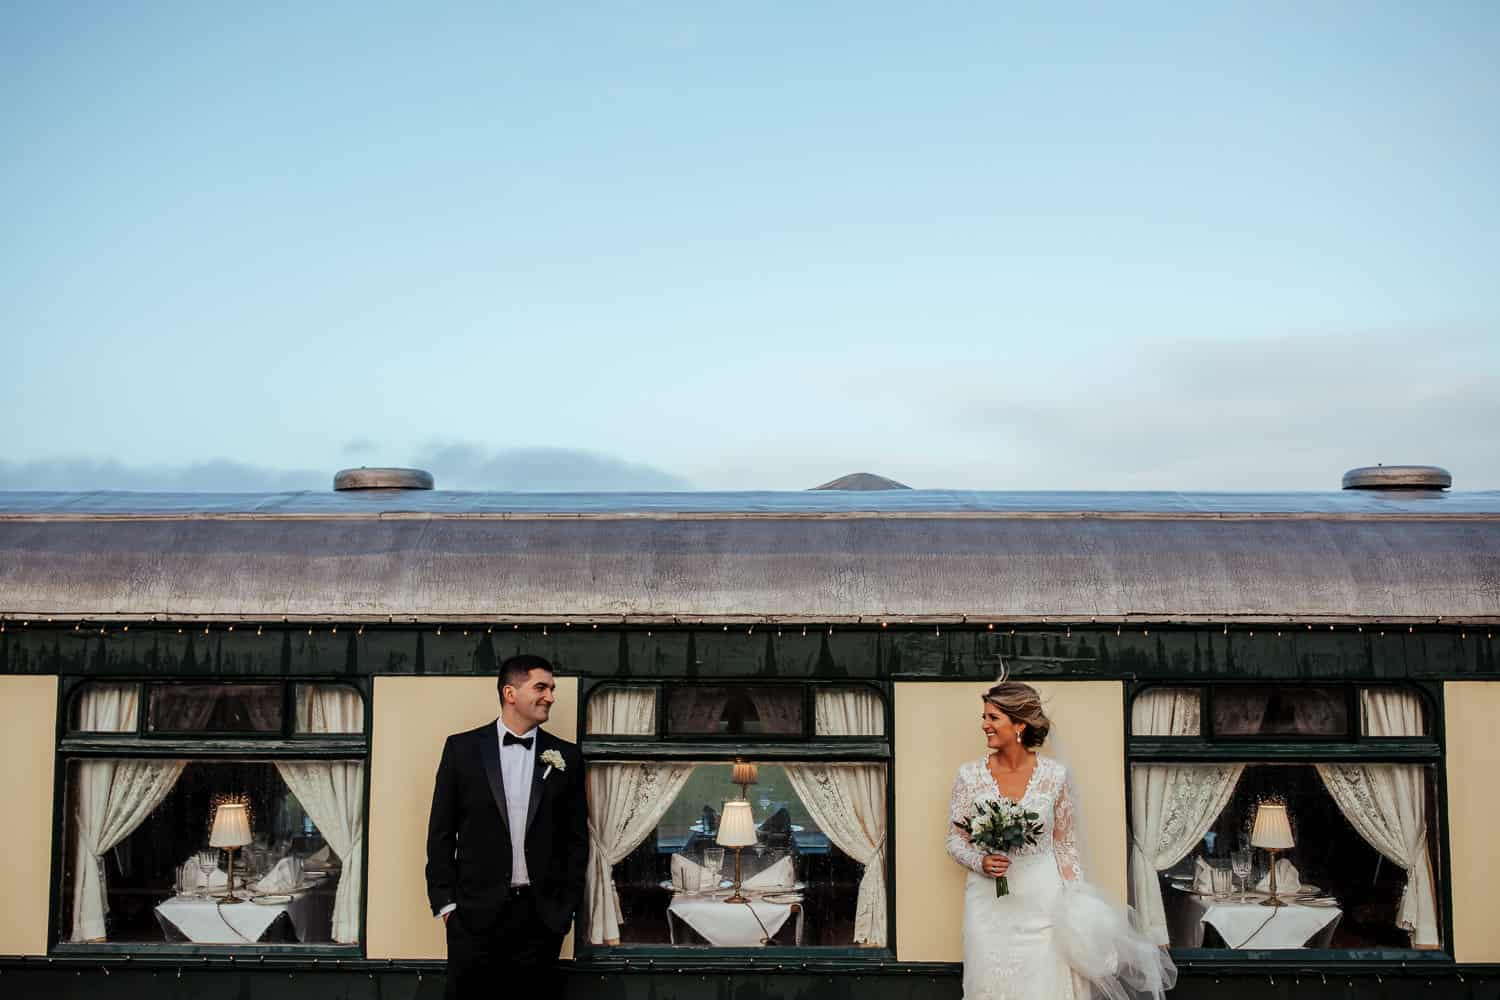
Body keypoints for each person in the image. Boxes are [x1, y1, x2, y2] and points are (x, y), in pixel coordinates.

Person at [946, 679, 1175, 1000]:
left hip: (1042, 903)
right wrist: (980, 861)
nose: (984, 725)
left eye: (992, 718)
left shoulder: (1054, 776)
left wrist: (1077, 900)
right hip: (988, 905)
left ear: (1019, 725)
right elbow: (955, 840)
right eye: (984, 717)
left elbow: (1065, 846)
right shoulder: (968, 775)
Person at [426, 654, 587, 999]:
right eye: (541, 687)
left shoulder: (567, 757)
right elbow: (440, 833)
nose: (551, 697)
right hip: (473, 919)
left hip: (541, 919)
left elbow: (576, 841)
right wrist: (447, 907)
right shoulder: (462, 749)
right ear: (510, 693)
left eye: (552, 688)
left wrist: (565, 909)